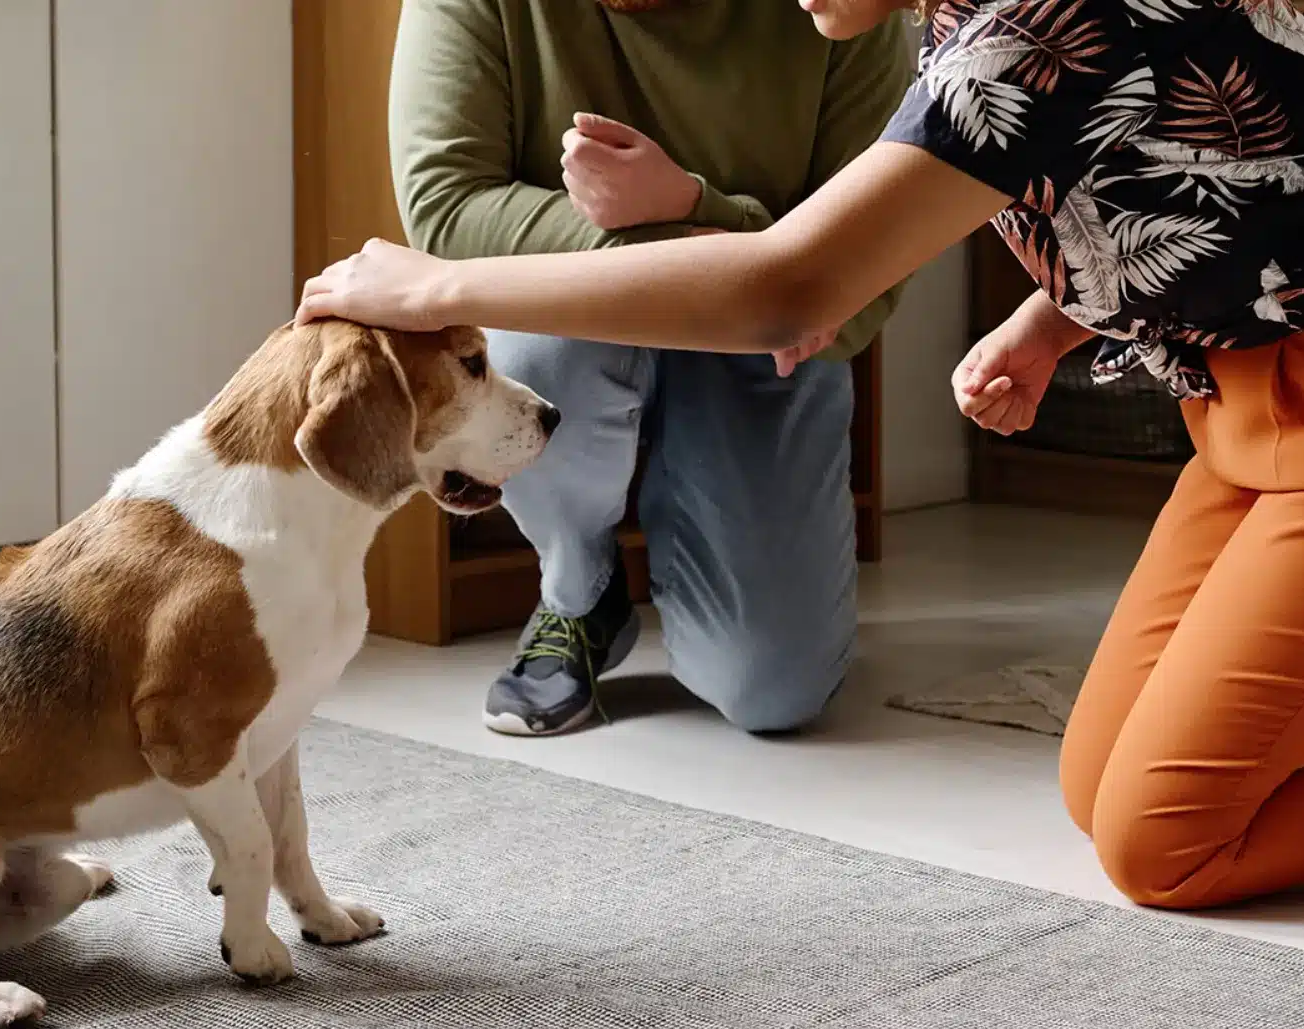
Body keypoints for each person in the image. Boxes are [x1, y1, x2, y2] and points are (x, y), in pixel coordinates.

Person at [302, 0, 1304, 911]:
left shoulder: (1012, 40)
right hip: (1255, 410)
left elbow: (794, 290)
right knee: (1097, 783)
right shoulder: (959, 26)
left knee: (1165, 842)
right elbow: (1205, 185)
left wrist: (433, 283)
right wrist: (1047, 322)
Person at [387, 0, 915, 738]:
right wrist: (692, 233)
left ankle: (698, 514)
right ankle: (580, 593)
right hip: (578, 314)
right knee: (530, 353)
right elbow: (445, 211)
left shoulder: (847, 8)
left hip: (760, 338)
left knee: (774, 691)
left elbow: (861, 286)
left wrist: (693, 208)